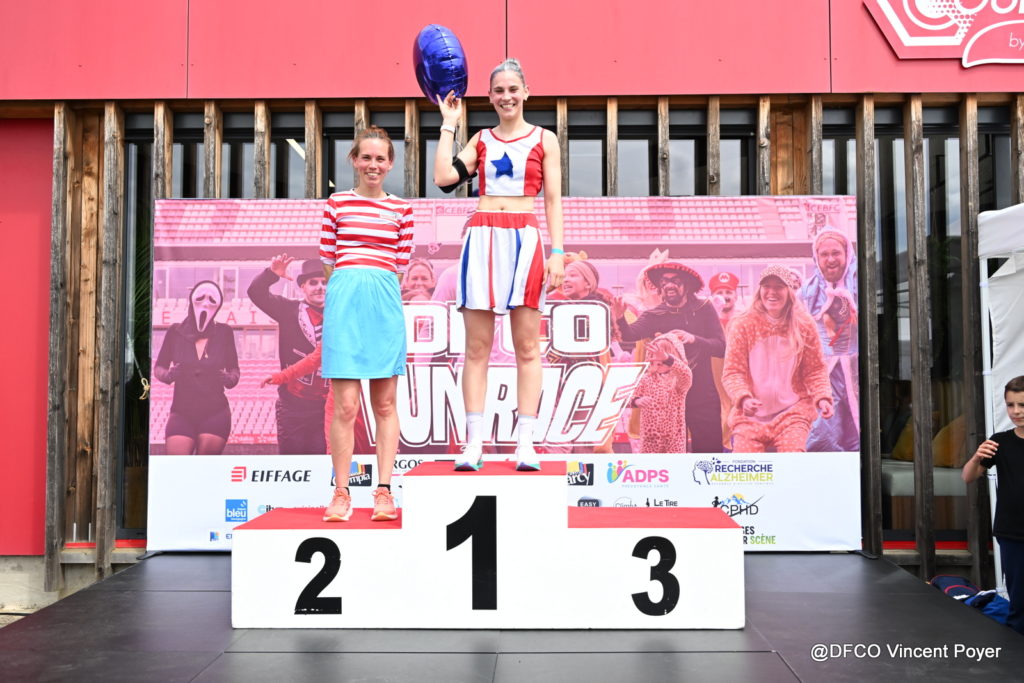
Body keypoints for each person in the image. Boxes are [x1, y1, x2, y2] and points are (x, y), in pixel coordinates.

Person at [433, 57, 564, 471]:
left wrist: (558, 252)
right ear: (489, 97)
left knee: (527, 347)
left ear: (526, 92)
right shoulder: (481, 139)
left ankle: (525, 443)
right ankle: (474, 443)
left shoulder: (545, 139)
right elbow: (443, 178)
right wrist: (448, 124)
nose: (507, 97)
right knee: (477, 349)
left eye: (513, 89)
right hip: (483, 236)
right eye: (499, 91)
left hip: (525, 238)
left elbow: (553, 200)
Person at [318, 125, 414, 523]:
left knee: (385, 404)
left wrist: (373, 290)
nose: (373, 165)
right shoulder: (336, 203)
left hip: (383, 305)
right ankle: (341, 492)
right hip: (345, 303)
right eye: (366, 157)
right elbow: (328, 261)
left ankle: (384, 491)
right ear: (354, 160)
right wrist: (351, 290)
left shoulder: (402, 210)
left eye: (380, 159)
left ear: (390, 164)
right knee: (345, 406)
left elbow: (401, 266)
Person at [613, 260, 725, 453]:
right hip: (668, 399)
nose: (669, 285)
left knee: (709, 453)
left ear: (687, 286)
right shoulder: (654, 315)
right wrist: (620, 318)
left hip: (703, 395)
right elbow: (630, 335)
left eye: (675, 281)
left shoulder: (704, 308)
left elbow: (721, 347)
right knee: (670, 455)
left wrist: (694, 339)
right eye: (664, 282)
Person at [721, 265, 833, 453]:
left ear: (789, 291)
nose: (772, 292)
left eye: (779, 287)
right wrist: (743, 398)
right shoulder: (742, 324)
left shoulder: (804, 324)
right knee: (745, 465)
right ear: (760, 290)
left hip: (792, 413)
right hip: (750, 417)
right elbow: (733, 372)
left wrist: (822, 397)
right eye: (767, 286)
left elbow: (814, 370)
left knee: (792, 460)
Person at [962, 375, 1024, 635]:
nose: (1016, 411)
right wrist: (977, 456)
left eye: (1022, 405)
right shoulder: (1000, 441)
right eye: (1010, 405)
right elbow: (968, 477)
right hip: (1012, 532)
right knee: (1019, 598)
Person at [248, 256, 328, 455]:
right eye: (313, 283)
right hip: (293, 406)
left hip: (327, 407)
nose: (320, 287)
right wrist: (271, 274)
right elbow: (255, 292)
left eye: (324, 282)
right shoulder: (288, 309)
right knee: (292, 463)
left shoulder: (342, 315)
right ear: (302, 287)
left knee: (322, 464)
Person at [154, 280, 239, 455]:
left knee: (204, 466)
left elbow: (234, 369)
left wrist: (230, 379)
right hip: (182, 411)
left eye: (212, 300)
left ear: (218, 306)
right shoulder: (175, 331)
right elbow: (159, 366)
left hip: (215, 412)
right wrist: (168, 375)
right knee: (176, 464)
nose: (206, 303)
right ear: (192, 299)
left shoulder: (224, 332)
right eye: (201, 298)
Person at [801, 229, 859, 452]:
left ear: (847, 254)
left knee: (858, 433)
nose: (830, 259)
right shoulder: (808, 291)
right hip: (823, 375)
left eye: (836, 253)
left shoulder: (861, 286)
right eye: (824, 254)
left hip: (858, 371)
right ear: (817, 258)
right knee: (821, 436)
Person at [631, 333, 692, 453]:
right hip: (649, 440)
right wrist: (636, 401)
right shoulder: (646, 379)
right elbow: (626, 398)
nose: (658, 363)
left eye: (662, 361)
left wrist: (667, 359)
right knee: (649, 464)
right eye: (655, 359)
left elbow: (686, 374)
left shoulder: (678, 382)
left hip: (674, 441)